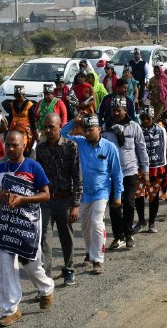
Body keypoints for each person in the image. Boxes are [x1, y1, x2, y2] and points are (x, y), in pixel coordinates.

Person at [0, 131, 55, 326]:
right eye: (7, 144)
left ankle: (46, 288)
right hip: (6, 224)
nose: (10, 149)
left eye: (14, 145)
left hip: (28, 224)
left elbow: (46, 195)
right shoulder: (0, 168)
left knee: (32, 265)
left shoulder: (33, 167)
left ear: (24, 145)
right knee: (3, 264)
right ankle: (11, 309)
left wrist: (23, 199)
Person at [61, 114, 122, 276]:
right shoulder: (80, 143)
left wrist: (118, 195)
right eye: (85, 130)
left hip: (101, 192)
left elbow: (117, 173)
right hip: (82, 193)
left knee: (97, 222)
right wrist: (74, 121)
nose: (87, 133)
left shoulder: (110, 148)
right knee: (85, 226)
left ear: (99, 130)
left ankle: (98, 260)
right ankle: (89, 252)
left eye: (91, 130)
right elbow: (62, 135)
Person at [35, 113, 81, 285]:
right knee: (44, 240)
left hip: (65, 200)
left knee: (66, 237)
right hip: (46, 201)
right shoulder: (41, 148)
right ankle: (46, 276)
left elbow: (77, 177)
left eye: (51, 127)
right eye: (45, 127)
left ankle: (69, 269)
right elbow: (37, 178)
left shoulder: (71, 146)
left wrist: (76, 204)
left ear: (59, 127)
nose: (47, 130)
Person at [103, 98, 148, 250]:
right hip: (112, 174)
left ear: (125, 111)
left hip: (130, 171)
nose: (116, 113)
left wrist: (145, 169)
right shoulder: (105, 128)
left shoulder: (134, 127)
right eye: (113, 110)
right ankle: (118, 236)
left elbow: (141, 149)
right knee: (115, 206)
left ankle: (128, 234)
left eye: (119, 110)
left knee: (129, 203)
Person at [137, 107, 167, 232]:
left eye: (147, 118)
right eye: (142, 119)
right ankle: (141, 220)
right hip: (139, 169)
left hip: (156, 168)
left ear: (152, 118)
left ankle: (151, 223)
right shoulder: (137, 130)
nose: (145, 121)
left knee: (153, 196)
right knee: (138, 195)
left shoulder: (161, 130)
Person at [8, 85, 36, 152]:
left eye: (19, 96)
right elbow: (10, 118)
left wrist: (35, 130)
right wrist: (8, 130)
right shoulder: (12, 104)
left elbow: (32, 119)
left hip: (25, 130)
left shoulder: (29, 104)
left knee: (23, 146)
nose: (18, 98)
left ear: (23, 95)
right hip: (14, 128)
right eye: (16, 96)